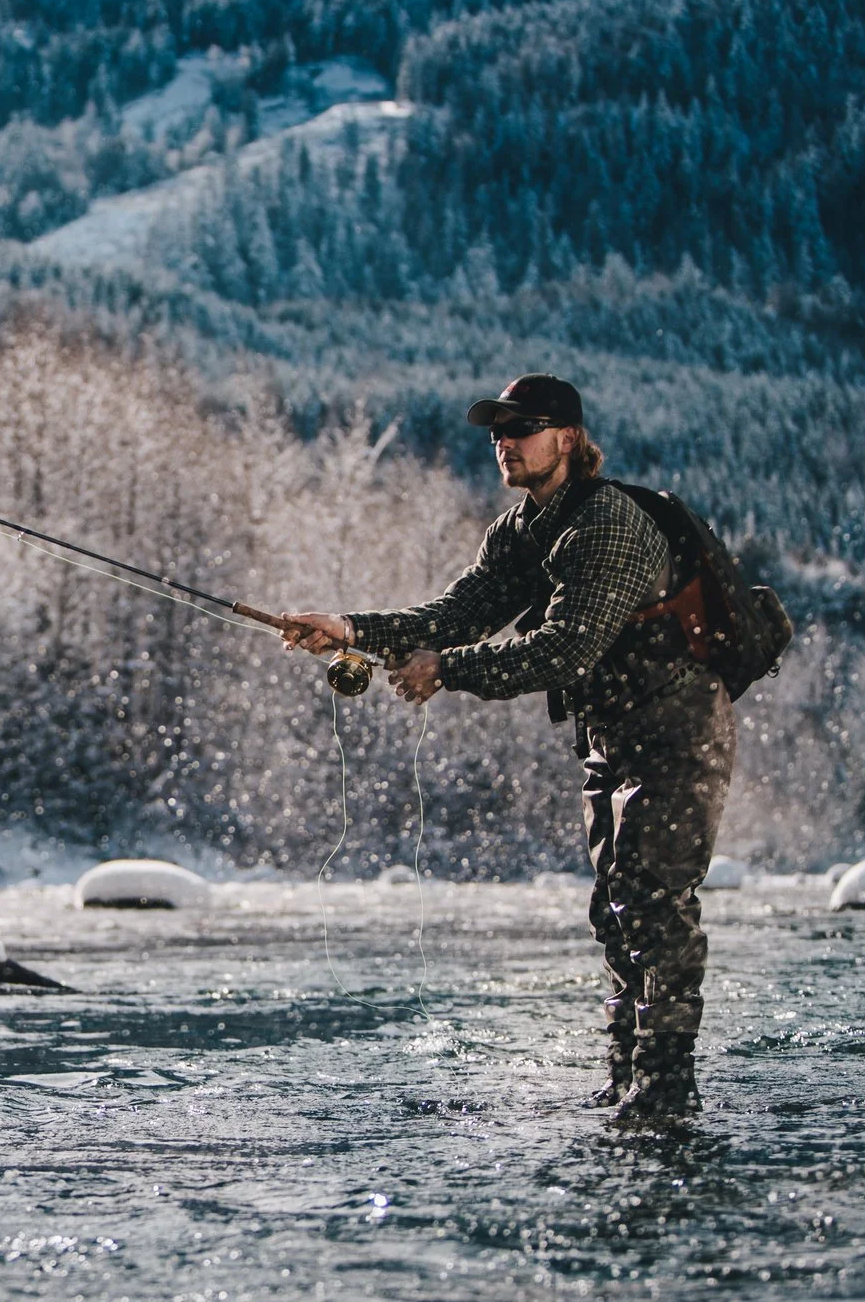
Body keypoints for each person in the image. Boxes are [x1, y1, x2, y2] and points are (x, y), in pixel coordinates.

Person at [277, 374, 734, 1123]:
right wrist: (350, 630)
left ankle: (667, 1089)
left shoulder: (606, 524)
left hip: (679, 734)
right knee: (614, 911)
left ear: (569, 439)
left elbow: (564, 652)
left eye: (524, 427)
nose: (506, 441)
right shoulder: (521, 531)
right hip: (611, 738)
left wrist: (446, 670)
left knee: (655, 905)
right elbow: (455, 615)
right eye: (498, 430)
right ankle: (627, 1078)